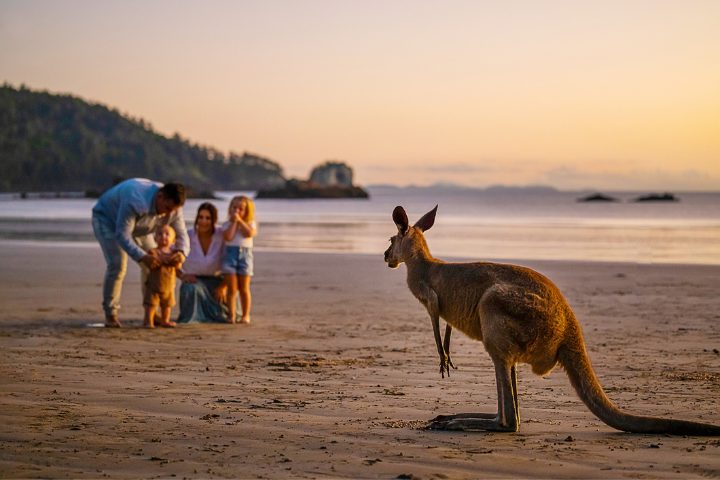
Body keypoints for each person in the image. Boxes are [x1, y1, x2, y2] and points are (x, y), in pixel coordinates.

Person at [91, 178, 189, 327]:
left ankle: (151, 312)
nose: (168, 215)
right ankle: (111, 313)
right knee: (118, 265)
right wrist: (142, 256)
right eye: (167, 209)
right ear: (160, 197)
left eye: (173, 211)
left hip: (142, 226)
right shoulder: (135, 199)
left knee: (155, 264)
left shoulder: (174, 208)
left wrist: (182, 253)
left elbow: (182, 235)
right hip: (107, 220)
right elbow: (122, 235)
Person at [176, 202, 237, 324]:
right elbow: (173, 259)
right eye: (200, 217)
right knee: (190, 289)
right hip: (195, 281)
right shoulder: (187, 235)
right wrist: (182, 275)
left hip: (218, 280)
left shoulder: (221, 235)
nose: (203, 221)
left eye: (208, 218)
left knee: (229, 296)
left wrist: (224, 286)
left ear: (214, 220)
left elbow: (231, 262)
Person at [221, 195, 257, 324]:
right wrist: (234, 222)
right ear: (230, 209)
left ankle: (245, 315)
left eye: (241, 209)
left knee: (244, 288)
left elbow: (249, 234)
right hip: (230, 255)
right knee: (232, 289)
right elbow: (228, 237)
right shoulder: (226, 224)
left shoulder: (250, 223)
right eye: (234, 207)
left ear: (247, 211)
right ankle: (231, 315)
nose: (237, 211)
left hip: (245, 255)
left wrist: (241, 221)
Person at [143, 225, 183, 328]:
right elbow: (149, 262)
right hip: (153, 285)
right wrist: (160, 259)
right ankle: (148, 321)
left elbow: (178, 266)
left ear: (173, 240)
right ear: (155, 238)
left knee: (167, 305)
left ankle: (165, 320)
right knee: (151, 304)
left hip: (169, 286)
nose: (163, 236)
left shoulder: (174, 254)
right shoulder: (153, 252)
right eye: (160, 234)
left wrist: (179, 260)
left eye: (167, 234)